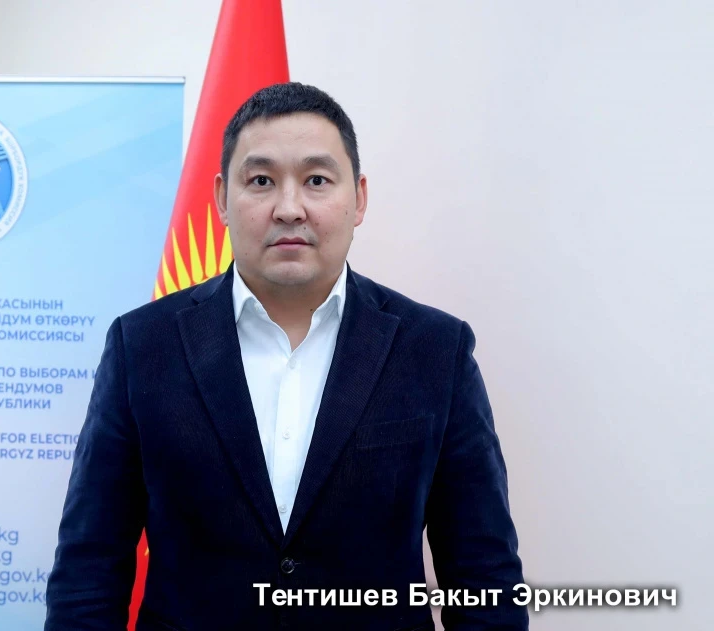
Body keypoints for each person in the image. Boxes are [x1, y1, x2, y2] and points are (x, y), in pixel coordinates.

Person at [45, 82, 527, 630]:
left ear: (359, 198)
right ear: (222, 198)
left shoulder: (435, 350)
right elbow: (88, 569)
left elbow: (484, 578)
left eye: (317, 180)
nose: (290, 208)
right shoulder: (142, 345)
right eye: (261, 181)